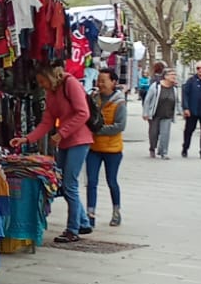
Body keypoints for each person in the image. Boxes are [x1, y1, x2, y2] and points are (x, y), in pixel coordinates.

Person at [14, 61, 94, 244]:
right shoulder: (51, 92)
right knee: (63, 183)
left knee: (69, 184)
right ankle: (82, 222)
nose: (41, 86)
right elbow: (47, 121)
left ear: (49, 77)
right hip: (64, 141)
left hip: (79, 140)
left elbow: (83, 113)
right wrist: (27, 139)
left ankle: (73, 229)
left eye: (42, 81)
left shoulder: (70, 83)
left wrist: (62, 133)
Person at [85, 69, 126, 226]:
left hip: (112, 150)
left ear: (113, 82)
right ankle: (90, 214)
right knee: (91, 182)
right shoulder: (93, 98)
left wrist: (97, 130)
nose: (100, 84)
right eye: (99, 80)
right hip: (93, 148)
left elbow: (120, 126)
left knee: (112, 181)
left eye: (104, 80)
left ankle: (116, 212)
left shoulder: (119, 102)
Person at [143, 69, 178, 157]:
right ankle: (152, 148)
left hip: (167, 114)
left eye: (175, 74)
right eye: (171, 74)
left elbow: (177, 101)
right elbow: (147, 100)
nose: (174, 76)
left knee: (165, 134)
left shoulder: (174, 88)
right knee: (153, 133)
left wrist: (182, 111)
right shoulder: (156, 86)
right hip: (155, 114)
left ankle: (164, 152)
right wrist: (145, 112)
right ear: (165, 76)